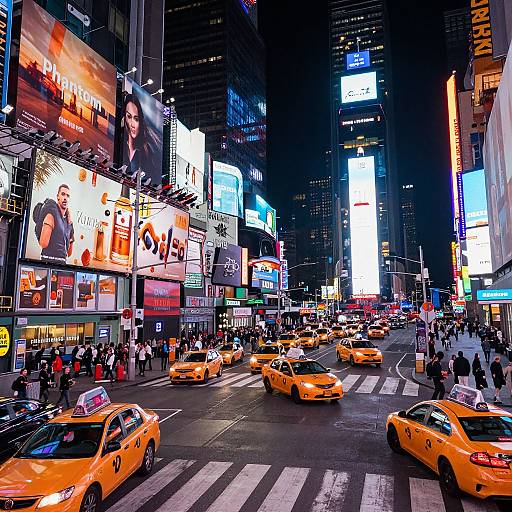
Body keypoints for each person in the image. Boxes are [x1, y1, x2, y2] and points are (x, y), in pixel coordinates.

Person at [122, 93, 158, 183]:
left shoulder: (146, 153)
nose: (132, 124)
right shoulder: (120, 146)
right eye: (129, 117)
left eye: (136, 119)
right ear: (124, 118)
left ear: (140, 121)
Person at [38, 184, 75, 263]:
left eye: (68, 196)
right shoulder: (51, 215)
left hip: (62, 265)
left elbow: (69, 253)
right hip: (47, 262)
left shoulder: (69, 222)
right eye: (63, 194)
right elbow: (43, 243)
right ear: (57, 196)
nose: (65, 198)